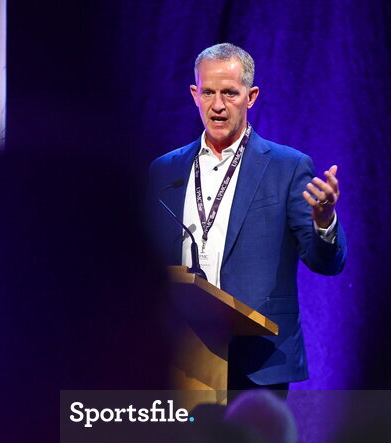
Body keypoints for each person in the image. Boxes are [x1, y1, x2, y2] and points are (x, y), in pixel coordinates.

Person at [148, 43, 347, 391]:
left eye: (230, 93)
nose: (218, 105)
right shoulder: (166, 171)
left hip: (258, 363)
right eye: (208, 92)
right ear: (195, 94)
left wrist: (324, 220)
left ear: (251, 96)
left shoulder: (287, 167)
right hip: (179, 357)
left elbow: (326, 263)